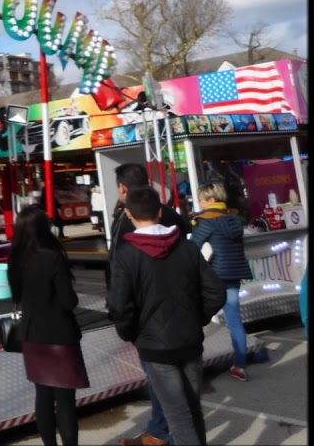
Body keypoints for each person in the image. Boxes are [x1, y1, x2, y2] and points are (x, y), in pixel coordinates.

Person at [108, 187, 225, 446]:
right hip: (190, 340)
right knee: (192, 410)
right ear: (160, 212)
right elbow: (216, 292)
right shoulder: (187, 247)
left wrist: (130, 333)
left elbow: (118, 305)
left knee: (178, 415)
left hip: (154, 346)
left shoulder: (126, 255)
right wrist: (198, 318)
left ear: (128, 214)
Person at [106, 165, 192, 446]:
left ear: (122, 188)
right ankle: (159, 430)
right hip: (181, 313)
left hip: (148, 317)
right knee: (179, 388)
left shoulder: (127, 220)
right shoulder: (168, 215)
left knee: (161, 381)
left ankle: (160, 433)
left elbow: (120, 283)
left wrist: (125, 325)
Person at [8, 204, 90, 446]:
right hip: (59, 336)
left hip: (32, 335)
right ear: (44, 230)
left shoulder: (15, 259)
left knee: (42, 398)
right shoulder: (52, 258)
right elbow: (68, 301)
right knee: (64, 402)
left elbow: (16, 296)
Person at [189, 181, 254, 381]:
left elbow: (191, 248)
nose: (198, 202)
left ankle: (193, 367)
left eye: (200, 199)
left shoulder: (206, 220)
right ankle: (240, 365)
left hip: (214, 276)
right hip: (234, 274)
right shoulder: (233, 218)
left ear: (211, 200)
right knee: (235, 320)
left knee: (195, 317)